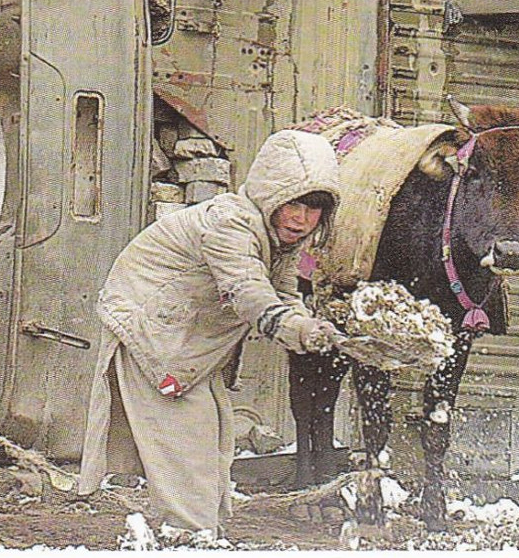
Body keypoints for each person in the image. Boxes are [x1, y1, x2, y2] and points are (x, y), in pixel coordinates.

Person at [76, 129, 344, 535]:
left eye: (314, 210)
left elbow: (283, 294)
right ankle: (190, 541)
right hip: (154, 332)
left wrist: (312, 326)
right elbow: (247, 292)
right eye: (294, 204)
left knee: (213, 436)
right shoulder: (230, 224)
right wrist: (297, 330)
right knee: (189, 442)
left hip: (187, 340)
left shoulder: (279, 240)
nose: (302, 219)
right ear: (272, 195)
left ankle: (198, 534)